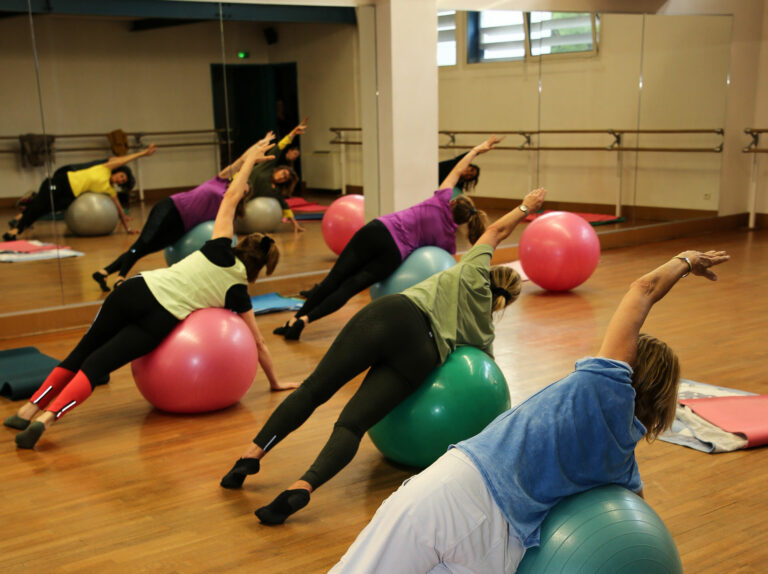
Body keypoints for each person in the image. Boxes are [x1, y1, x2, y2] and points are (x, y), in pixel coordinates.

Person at [329, 249, 730, 574]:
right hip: (503, 549)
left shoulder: (603, 387)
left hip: (455, 497)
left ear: (628, 368)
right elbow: (636, 524)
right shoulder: (621, 463)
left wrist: (686, 262)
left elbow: (642, 290)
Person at [219, 186, 548, 526]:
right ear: (505, 304)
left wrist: (527, 205)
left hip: (393, 316)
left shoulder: (474, 270)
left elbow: (496, 231)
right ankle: (303, 486)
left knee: (313, 390)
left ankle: (250, 457)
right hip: (422, 355)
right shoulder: (485, 332)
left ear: (494, 274)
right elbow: (486, 377)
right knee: (352, 425)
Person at [3, 141, 299, 450]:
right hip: (159, 319)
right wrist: (276, 382)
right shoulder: (238, 292)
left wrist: (249, 158)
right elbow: (258, 343)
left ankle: (28, 409)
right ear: (261, 267)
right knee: (98, 365)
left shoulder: (219, 245)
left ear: (243, 244)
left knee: (81, 353)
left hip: (135, 291)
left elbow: (233, 195)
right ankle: (45, 420)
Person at [272, 135, 503, 341]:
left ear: (452, 201)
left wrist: (476, 151)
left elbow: (456, 170)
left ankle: (293, 320)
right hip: (393, 254)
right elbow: (445, 268)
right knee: (350, 288)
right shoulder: (448, 242)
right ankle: (304, 321)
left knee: (334, 279)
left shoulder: (441, 198)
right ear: (463, 222)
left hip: (378, 231)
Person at [91, 134, 274, 292]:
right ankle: (121, 277)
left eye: (245, 189)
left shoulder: (230, 207)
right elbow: (242, 160)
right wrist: (260, 144)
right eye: (242, 183)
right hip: (171, 208)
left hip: (182, 226)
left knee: (146, 248)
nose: (242, 186)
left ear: (244, 195)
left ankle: (103, 272)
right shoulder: (220, 180)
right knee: (143, 242)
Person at [3, 145, 157, 241]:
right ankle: (16, 230)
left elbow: (119, 209)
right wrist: (143, 153)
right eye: (121, 176)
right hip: (61, 182)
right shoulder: (104, 168)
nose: (119, 180)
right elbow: (124, 160)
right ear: (118, 171)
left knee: (43, 209)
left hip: (69, 197)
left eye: (122, 182)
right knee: (40, 204)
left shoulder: (108, 190)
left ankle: (22, 219)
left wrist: (128, 229)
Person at [248, 118, 309, 233]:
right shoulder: (267, 166)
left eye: (285, 178)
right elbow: (279, 148)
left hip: (243, 203)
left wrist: (295, 224)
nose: (282, 177)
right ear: (279, 170)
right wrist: (293, 133)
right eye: (283, 173)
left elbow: (285, 206)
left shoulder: (275, 191)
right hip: (233, 185)